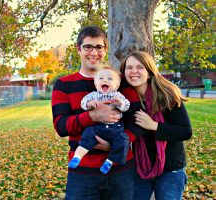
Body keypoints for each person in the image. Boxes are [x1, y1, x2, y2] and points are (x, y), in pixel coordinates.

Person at [51, 25, 138, 200]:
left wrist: (116, 144)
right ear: (78, 49)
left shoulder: (120, 82)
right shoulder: (64, 84)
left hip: (121, 171)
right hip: (82, 172)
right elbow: (61, 126)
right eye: (88, 47)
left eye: (99, 47)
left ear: (105, 49)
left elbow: (137, 121)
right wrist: (92, 116)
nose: (94, 52)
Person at [119, 51, 192, 200]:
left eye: (140, 67)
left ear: (150, 71)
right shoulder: (123, 100)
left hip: (170, 169)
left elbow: (185, 131)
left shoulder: (167, 96)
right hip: (139, 167)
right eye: (129, 67)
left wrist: (154, 126)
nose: (133, 71)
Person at [68, 66, 130, 175]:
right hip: (98, 127)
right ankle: (77, 157)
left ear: (117, 85)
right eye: (101, 79)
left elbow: (126, 106)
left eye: (110, 79)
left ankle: (109, 161)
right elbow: (83, 103)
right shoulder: (93, 95)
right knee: (88, 134)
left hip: (116, 129)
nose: (105, 80)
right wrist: (89, 104)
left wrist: (120, 103)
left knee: (123, 140)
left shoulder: (118, 96)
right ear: (96, 84)